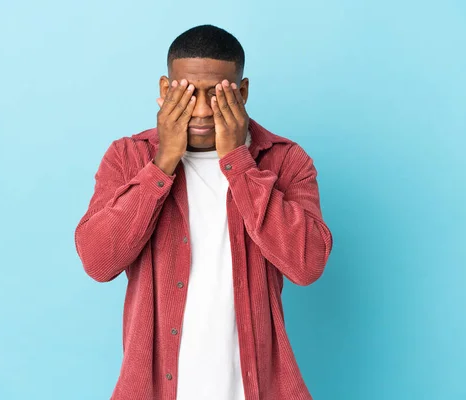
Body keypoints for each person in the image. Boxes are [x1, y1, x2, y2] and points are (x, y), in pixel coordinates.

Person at [74, 24, 333, 400]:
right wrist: (162, 163)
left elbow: (307, 265)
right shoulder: (128, 157)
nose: (200, 110)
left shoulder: (284, 161)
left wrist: (238, 163)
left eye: (216, 95)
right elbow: (98, 261)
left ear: (242, 92)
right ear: (165, 90)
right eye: (187, 93)